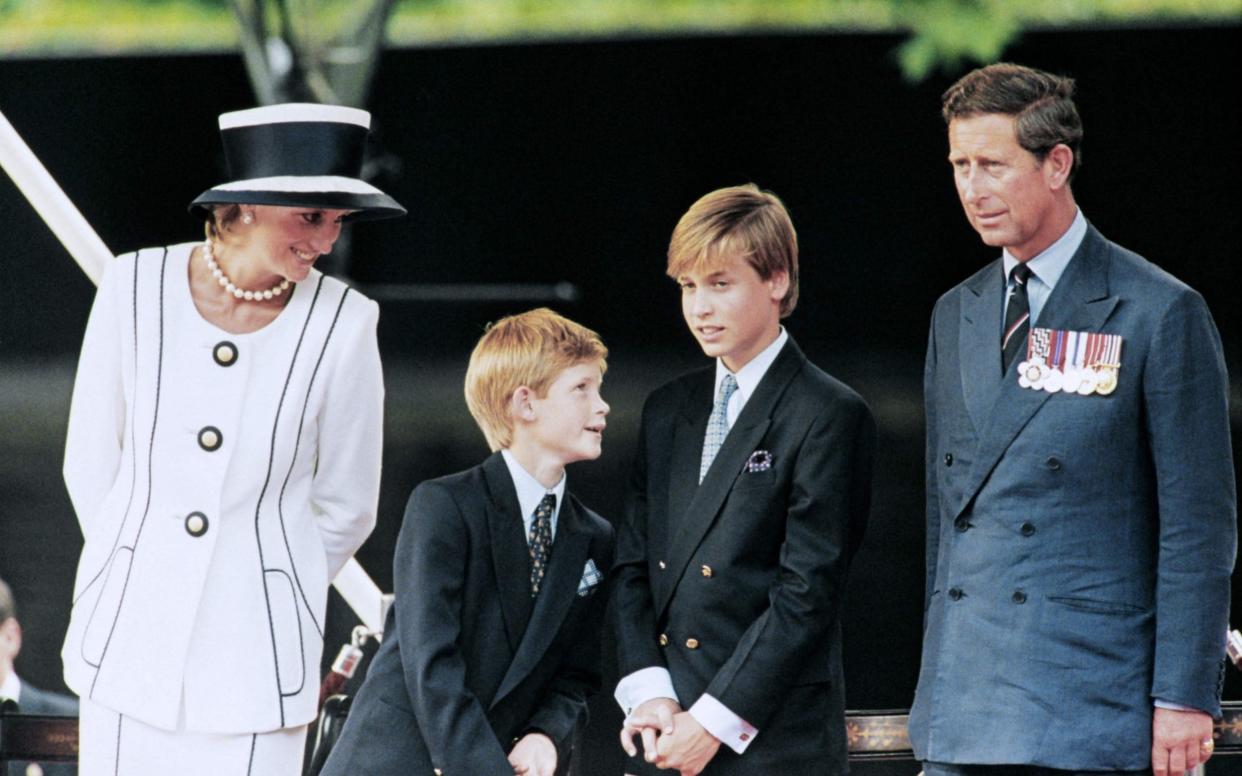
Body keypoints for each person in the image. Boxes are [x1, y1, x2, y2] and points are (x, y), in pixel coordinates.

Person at [910, 63, 1236, 776]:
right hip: (961, 706)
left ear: (1057, 163)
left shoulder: (1158, 309)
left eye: (992, 164)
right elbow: (948, 520)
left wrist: (1184, 694)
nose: (972, 188)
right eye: (959, 165)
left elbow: (1197, 526)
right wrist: (933, 692)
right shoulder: (954, 313)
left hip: (1090, 701)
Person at [60, 103, 404, 775]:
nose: (327, 241)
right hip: (125, 645)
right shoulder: (132, 287)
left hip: (258, 662)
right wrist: (136, 564)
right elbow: (90, 462)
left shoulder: (346, 323)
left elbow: (348, 505)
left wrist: (270, 583)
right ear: (245, 206)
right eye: (311, 216)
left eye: (339, 220)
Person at [610, 184, 876, 775]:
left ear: (776, 280)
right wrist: (651, 694)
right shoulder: (666, 408)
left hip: (772, 741)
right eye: (687, 286)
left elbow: (806, 593)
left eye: (720, 284)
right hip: (665, 732)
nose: (699, 307)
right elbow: (632, 566)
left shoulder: (829, 412)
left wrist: (711, 722)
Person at [320, 308, 615, 776]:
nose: (602, 406)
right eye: (582, 388)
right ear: (525, 404)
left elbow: (576, 673)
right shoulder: (444, 506)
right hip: (401, 762)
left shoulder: (594, 536)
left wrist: (545, 735)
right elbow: (430, 662)